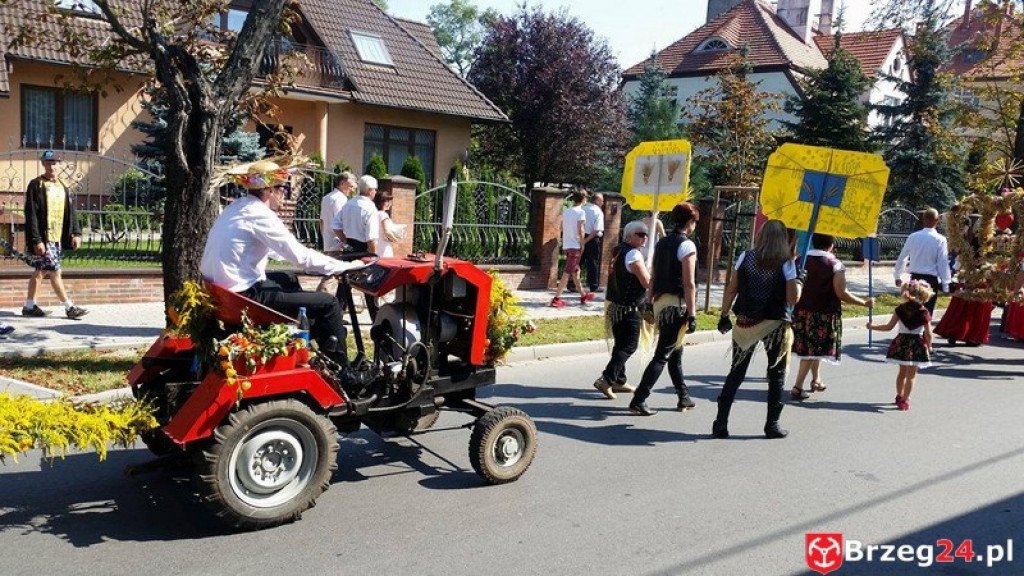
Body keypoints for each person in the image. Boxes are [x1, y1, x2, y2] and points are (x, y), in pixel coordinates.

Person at [200, 160, 366, 365]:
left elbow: (280, 251)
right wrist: (346, 266)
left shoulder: (238, 207)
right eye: (284, 188)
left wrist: (316, 258)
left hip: (226, 294)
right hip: (243, 297)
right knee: (329, 303)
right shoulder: (260, 215)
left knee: (287, 277)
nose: (285, 195)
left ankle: (304, 332)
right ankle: (343, 371)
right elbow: (301, 258)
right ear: (270, 190)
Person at [714, 220, 801, 439]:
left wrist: (724, 315)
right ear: (784, 239)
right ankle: (772, 425)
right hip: (774, 323)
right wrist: (798, 278)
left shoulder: (745, 256)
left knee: (736, 372)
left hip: (746, 322)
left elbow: (732, 288)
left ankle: (720, 423)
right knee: (776, 374)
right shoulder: (787, 264)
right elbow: (792, 299)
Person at [628, 202, 700, 415]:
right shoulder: (687, 246)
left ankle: (683, 396)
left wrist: (650, 303)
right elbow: (689, 283)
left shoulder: (661, 243)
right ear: (690, 222)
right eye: (695, 221)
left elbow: (654, 277)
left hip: (660, 304)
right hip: (675, 306)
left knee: (675, 352)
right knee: (663, 354)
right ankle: (640, 398)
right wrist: (693, 313)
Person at [790, 233, 873, 400]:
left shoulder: (799, 261)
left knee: (814, 349)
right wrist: (864, 303)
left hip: (800, 312)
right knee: (811, 352)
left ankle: (816, 380)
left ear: (813, 243)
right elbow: (841, 293)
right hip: (824, 314)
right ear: (831, 246)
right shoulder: (835, 264)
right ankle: (798, 387)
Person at [22, 150, 88, 320]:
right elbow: (31, 214)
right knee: (55, 272)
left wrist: (75, 232)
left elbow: (71, 212)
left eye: (55, 162)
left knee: (40, 271)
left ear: (60, 164)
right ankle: (69, 307)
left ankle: (29, 306)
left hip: (57, 237)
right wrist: (36, 239)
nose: (52, 165)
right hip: (44, 238)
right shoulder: (36, 184)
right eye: (48, 162)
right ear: (43, 164)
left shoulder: (63, 185)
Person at [592, 220, 650, 400]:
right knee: (629, 345)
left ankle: (619, 379)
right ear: (629, 236)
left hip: (614, 304)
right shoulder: (633, 255)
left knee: (620, 344)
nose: (644, 237)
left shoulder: (618, 249)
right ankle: (607, 378)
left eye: (646, 234)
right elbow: (646, 281)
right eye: (640, 234)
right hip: (628, 307)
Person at [866, 280, 934, 411]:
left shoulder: (900, 309)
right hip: (916, 343)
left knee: (901, 372)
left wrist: (872, 327)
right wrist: (930, 346)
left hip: (901, 342)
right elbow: (928, 333)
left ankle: (899, 395)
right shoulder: (924, 312)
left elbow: (888, 327)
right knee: (912, 375)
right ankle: (905, 399)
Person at [934, 220, 994, 346]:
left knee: (960, 310)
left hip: (966, 282)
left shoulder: (967, 248)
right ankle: (972, 337)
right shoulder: (987, 249)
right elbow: (989, 269)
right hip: (980, 284)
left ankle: (953, 333)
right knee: (976, 313)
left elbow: (956, 266)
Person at [894, 208, 950, 315]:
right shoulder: (940, 239)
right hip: (930, 281)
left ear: (923, 220)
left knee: (912, 311)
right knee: (926, 314)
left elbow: (903, 257)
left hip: (915, 280)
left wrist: (898, 276)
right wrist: (946, 284)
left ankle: (912, 331)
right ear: (937, 220)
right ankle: (925, 332)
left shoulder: (913, 237)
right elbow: (943, 262)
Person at [551, 190, 596, 307]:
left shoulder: (567, 211)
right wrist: (582, 243)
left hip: (567, 245)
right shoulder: (581, 212)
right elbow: (580, 229)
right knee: (567, 273)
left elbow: (561, 227)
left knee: (575, 271)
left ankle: (583, 295)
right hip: (575, 246)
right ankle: (556, 299)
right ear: (583, 199)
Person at [316, 171, 355, 295]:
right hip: (338, 242)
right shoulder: (341, 199)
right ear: (342, 183)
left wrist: (325, 238)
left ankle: (339, 300)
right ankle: (319, 299)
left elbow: (321, 221)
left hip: (329, 240)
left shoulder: (327, 197)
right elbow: (339, 224)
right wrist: (345, 242)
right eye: (351, 183)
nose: (353, 187)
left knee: (336, 274)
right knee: (331, 275)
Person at [335, 175, 379, 255]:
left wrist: (345, 241)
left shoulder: (348, 204)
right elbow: (371, 237)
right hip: (363, 250)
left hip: (348, 248)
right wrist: (374, 255)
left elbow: (335, 226)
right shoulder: (370, 207)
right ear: (370, 190)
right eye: (375, 189)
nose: (375, 192)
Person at [582, 191, 605, 292]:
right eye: (602, 200)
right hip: (592, 239)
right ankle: (593, 285)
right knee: (593, 262)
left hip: (581, 237)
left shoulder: (583, 208)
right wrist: (587, 240)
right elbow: (596, 230)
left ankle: (571, 283)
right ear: (597, 200)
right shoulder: (598, 212)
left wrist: (583, 240)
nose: (603, 203)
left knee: (579, 261)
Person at [374, 190, 401, 258]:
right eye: (387, 201)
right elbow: (387, 231)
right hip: (384, 247)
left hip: (375, 244)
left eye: (390, 201)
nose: (390, 204)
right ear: (381, 202)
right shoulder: (383, 215)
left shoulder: (373, 214)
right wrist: (396, 240)